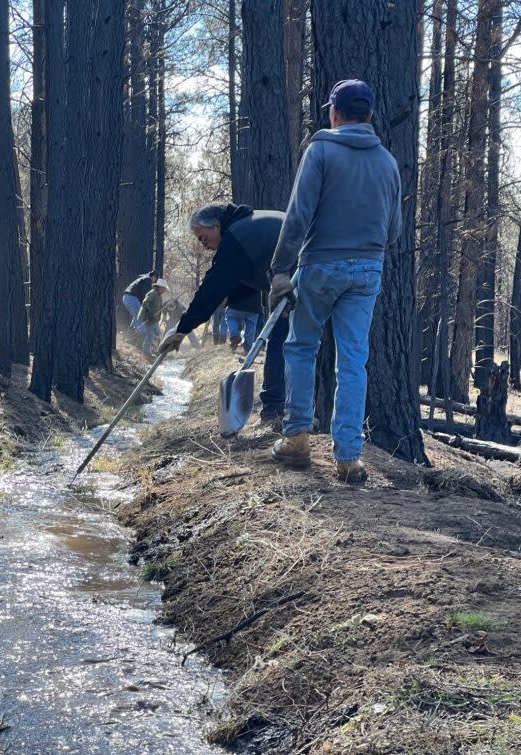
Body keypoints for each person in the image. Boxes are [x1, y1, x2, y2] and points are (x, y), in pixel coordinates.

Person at [268, 79, 402, 485]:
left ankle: (297, 439)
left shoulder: (320, 150)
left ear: (335, 113)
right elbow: (393, 230)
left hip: (320, 267)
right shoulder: (388, 163)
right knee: (353, 361)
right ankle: (348, 459)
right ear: (370, 115)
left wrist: (279, 269)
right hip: (367, 270)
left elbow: (297, 217)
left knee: (302, 347)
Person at [158, 203, 288, 429]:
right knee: (292, 344)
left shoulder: (237, 236)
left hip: (300, 276)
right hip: (309, 271)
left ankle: (275, 412)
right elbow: (238, 284)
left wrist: (183, 328)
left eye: (203, 237)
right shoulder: (247, 226)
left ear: (216, 226)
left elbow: (213, 287)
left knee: (280, 342)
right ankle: (291, 410)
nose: (203, 245)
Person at [137, 279, 169, 357]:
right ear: (160, 287)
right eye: (164, 288)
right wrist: (149, 313)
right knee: (150, 336)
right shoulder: (152, 293)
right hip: (147, 318)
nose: (165, 290)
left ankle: (155, 350)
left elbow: (158, 306)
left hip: (154, 319)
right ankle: (146, 353)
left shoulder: (159, 296)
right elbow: (145, 303)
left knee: (158, 334)